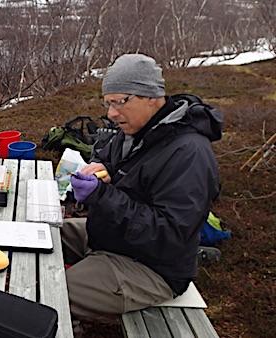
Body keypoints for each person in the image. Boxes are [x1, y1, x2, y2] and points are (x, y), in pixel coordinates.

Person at [61, 54, 222, 332]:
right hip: (113, 238)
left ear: (151, 96)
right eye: (107, 103)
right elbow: (128, 171)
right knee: (47, 236)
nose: (111, 113)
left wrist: (101, 195)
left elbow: (169, 235)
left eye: (119, 102)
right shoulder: (137, 130)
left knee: (47, 286)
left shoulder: (189, 154)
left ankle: (65, 318)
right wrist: (105, 169)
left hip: (151, 268)